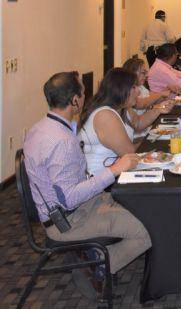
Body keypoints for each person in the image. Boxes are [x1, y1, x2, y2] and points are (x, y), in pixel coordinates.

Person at [23, 72, 151, 298]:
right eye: (83, 93)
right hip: (68, 220)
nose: (85, 97)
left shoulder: (40, 128)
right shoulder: (62, 141)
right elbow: (70, 198)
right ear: (75, 100)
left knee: (140, 206)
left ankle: (92, 253)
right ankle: (99, 264)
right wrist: (114, 170)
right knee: (147, 231)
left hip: (65, 210)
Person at [80, 68, 170, 174]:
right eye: (134, 87)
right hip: (104, 178)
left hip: (118, 171)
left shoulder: (121, 107)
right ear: (120, 89)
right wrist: (155, 142)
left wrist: (159, 110)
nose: (138, 91)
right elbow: (129, 152)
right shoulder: (105, 116)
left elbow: (138, 123)